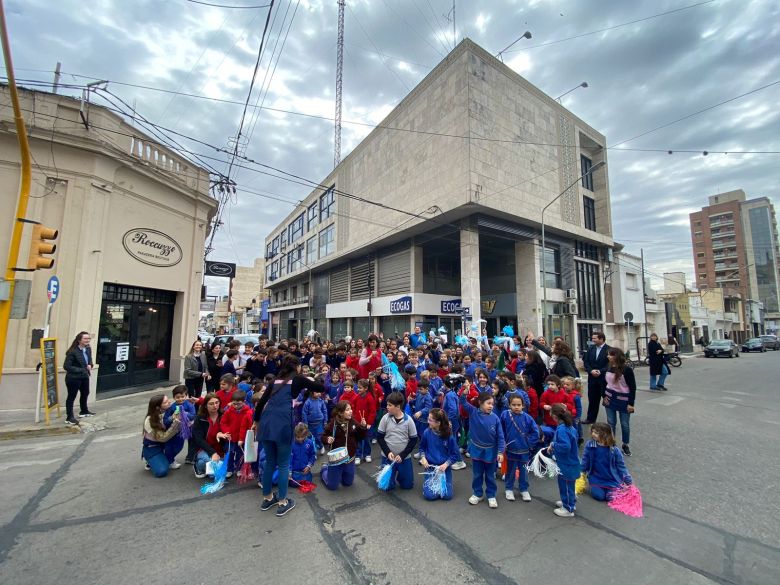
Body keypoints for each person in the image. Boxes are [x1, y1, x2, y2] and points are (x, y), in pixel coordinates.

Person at [254, 354, 324, 517]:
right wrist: (318, 378)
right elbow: (320, 388)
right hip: (283, 424)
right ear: (297, 366)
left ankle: (267, 498)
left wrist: (257, 422)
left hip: (266, 424)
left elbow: (261, 404)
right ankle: (283, 502)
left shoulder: (273, 382)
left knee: (270, 462)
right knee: (284, 464)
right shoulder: (298, 379)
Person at [459, 382, 506, 509]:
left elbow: (501, 437)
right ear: (480, 403)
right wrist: (465, 391)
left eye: (492, 404)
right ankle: (478, 493)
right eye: (488, 403)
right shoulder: (473, 412)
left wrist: (501, 452)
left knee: (490, 475)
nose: (491, 406)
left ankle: (491, 495)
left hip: (491, 451)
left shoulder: (496, 418)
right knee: (477, 474)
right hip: (476, 449)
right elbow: (462, 402)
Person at [501, 394, 539, 502]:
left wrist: (529, 444)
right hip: (510, 450)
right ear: (509, 405)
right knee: (510, 471)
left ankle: (524, 489)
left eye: (519, 405)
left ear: (523, 405)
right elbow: (501, 430)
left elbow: (535, 432)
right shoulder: (505, 415)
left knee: (523, 471)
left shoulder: (528, 418)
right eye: (513, 405)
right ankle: (509, 489)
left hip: (524, 451)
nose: (516, 407)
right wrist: (502, 442)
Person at [376, 391, 418, 491]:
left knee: (407, 486)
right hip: (388, 457)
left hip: (403, 458)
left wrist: (402, 455)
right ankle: (391, 476)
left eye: (390, 405)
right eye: (387, 404)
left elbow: (413, 440)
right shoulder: (385, 418)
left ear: (398, 407)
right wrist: (388, 452)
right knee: (387, 487)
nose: (387, 407)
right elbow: (380, 437)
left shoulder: (409, 420)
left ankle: (401, 475)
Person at [321, 400, 367, 490]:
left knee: (347, 483)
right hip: (336, 460)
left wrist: (362, 427)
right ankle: (324, 469)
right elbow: (323, 436)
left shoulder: (353, 422)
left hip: (349, 459)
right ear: (340, 413)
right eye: (347, 410)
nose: (351, 411)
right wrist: (327, 439)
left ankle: (339, 474)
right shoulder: (333, 423)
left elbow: (361, 437)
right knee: (332, 486)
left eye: (351, 409)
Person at [580, 423, 633, 501]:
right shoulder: (590, 445)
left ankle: (614, 490)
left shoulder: (614, 450)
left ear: (605, 434)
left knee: (611, 497)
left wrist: (628, 480)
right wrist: (581, 472)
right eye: (593, 432)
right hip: (596, 478)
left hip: (611, 479)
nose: (593, 434)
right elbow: (585, 460)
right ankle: (600, 489)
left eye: (596, 433)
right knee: (598, 496)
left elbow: (621, 466)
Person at [546, 404, 580, 517]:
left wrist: (554, 445)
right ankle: (570, 503)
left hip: (566, 463)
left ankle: (568, 508)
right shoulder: (569, 426)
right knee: (570, 485)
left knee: (565, 485)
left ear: (555, 416)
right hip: (571, 462)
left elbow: (565, 446)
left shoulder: (562, 429)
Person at [419, 408, 460, 500]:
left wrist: (446, 464)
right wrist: (423, 458)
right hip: (430, 467)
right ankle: (427, 486)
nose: (428, 421)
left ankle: (448, 483)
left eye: (430, 420)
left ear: (438, 423)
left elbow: (455, 455)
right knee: (430, 496)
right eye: (428, 419)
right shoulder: (426, 433)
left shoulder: (449, 436)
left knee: (447, 496)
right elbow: (422, 448)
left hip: (443, 468)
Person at [603, 348, 636, 457]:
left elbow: (632, 387)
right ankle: (612, 444)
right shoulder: (607, 367)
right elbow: (603, 383)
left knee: (625, 424)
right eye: (608, 355)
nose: (608, 357)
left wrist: (631, 404)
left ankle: (625, 444)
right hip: (609, 398)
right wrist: (604, 396)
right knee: (611, 423)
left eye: (610, 355)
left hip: (624, 400)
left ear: (616, 356)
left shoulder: (627, 370)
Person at [141, 394, 181, 478]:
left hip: (164, 444)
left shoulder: (167, 411)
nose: (169, 402)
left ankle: (167, 459)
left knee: (179, 442)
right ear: (157, 407)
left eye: (168, 400)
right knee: (162, 471)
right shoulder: (149, 420)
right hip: (153, 447)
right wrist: (176, 424)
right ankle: (150, 460)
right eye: (165, 402)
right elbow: (162, 438)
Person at [63, 331, 95, 425]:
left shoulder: (88, 349)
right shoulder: (72, 351)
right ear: (79, 340)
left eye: (88, 338)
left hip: (84, 376)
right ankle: (69, 417)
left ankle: (84, 411)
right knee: (71, 396)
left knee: (85, 392)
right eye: (85, 338)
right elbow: (67, 366)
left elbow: (89, 360)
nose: (87, 340)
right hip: (73, 378)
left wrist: (90, 365)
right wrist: (82, 369)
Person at [220, 389, 254, 477]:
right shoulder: (229, 411)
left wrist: (242, 439)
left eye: (238, 404)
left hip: (242, 438)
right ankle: (229, 469)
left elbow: (246, 427)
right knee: (229, 453)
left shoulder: (248, 412)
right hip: (230, 437)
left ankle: (239, 469)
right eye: (233, 403)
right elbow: (223, 422)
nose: (235, 406)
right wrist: (227, 432)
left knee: (240, 454)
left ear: (244, 402)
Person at [191, 393, 224, 479]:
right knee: (207, 462)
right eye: (211, 404)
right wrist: (213, 453)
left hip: (221, 449)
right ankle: (198, 466)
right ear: (205, 405)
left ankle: (208, 469)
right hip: (204, 449)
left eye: (217, 402)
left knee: (215, 472)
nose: (215, 406)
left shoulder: (224, 415)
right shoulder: (200, 418)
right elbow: (198, 439)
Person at [163, 385, 196, 465]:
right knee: (170, 446)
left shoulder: (189, 405)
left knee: (179, 447)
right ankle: (169, 460)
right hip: (173, 430)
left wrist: (186, 414)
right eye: (178, 397)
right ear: (174, 397)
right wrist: (172, 417)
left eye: (182, 396)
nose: (180, 399)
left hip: (185, 430)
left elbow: (193, 415)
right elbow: (165, 420)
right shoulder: (172, 407)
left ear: (186, 396)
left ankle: (170, 459)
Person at [583, 331, 610, 424]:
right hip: (592, 379)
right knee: (593, 400)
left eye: (595, 338)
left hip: (604, 379)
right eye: (592, 338)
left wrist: (601, 371)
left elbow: (609, 364)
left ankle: (611, 420)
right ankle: (590, 419)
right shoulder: (590, 349)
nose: (592, 340)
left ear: (601, 339)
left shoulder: (609, 350)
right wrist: (591, 371)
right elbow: (586, 362)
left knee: (607, 399)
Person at [352, 378, 377, 464]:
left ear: (366, 388)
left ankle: (367, 454)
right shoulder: (356, 397)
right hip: (358, 423)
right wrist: (354, 419)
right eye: (358, 388)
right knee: (358, 440)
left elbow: (372, 412)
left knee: (367, 440)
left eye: (360, 388)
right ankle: (358, 455)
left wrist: (369, 422)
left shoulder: (370, 398)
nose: (358, 389)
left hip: (367, 424)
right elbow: (353, 407)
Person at [302, 387, 328, 454]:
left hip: (319, 422)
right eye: (317, 392)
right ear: (312, 393)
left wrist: (325, 420)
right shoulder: (308, 402)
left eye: (320, 392)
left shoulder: (321, 401)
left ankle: (321, 446)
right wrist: (305, 423)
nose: (319, 394)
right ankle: (313, 450)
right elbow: (304, 413)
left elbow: (324, 411)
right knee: (311, 437)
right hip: (310, 423)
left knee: (318, 437)